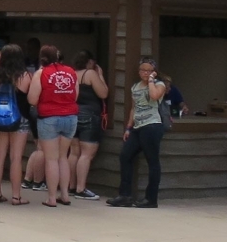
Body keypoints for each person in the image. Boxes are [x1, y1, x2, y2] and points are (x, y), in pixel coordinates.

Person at [111, 57, 168, 207]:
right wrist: (128, 127)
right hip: (138, 126)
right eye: (143, 70)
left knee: (152, 161)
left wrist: (151, 80)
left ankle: (151, 199)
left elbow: (154, 96)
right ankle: (125, 195)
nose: (145, 73)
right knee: (125, 156)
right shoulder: (135, 87)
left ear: (154, 72)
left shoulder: (159, 85)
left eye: (149, 70)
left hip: (152, 125)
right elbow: (134, 108)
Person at [29, 45, 78, 208]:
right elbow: (75, 95)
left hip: (49, 116)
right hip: (70, 116)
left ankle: (51, 197)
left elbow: (32, 99)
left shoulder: (41, 73)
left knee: (51, 158)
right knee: (63, 156)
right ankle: (64, 194)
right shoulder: (71, 71)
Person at [0, 44, 31, 204]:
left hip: (0, 118)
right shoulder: (25, 76)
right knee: (16, 158)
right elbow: (31, 98)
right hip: (20, 118)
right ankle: (16, 196)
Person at [69, 51, 107, 201]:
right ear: (90, 62)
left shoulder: (72, 74)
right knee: (86, 154)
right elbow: (103, 93)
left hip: (73, 114)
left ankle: (71, 186)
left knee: (74, 153)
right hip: (89, 115)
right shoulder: (90, 74)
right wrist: (100, 75)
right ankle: (80, 188)